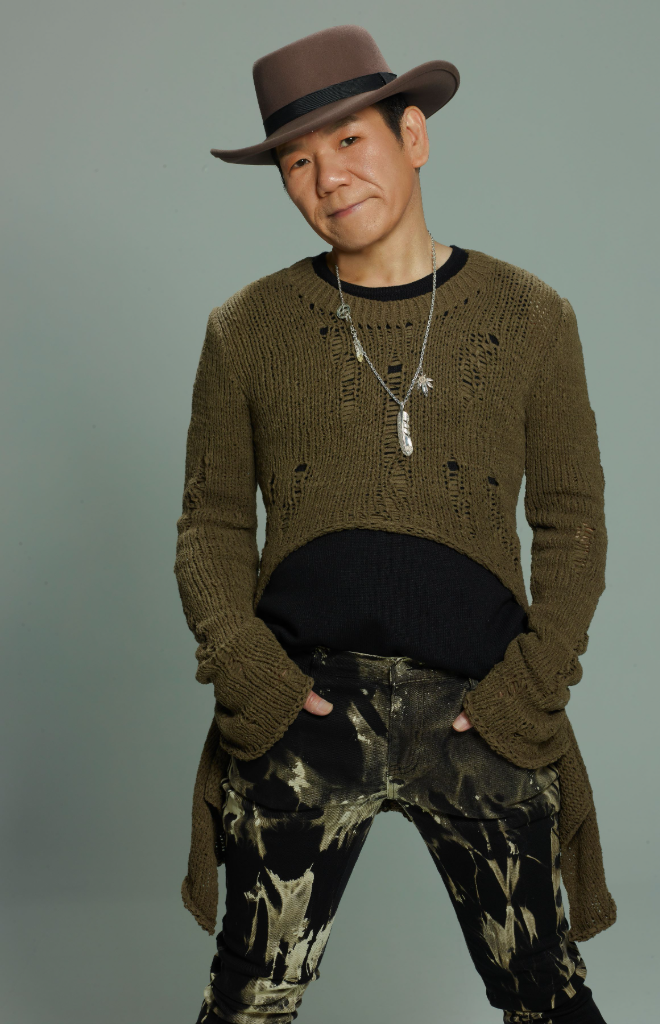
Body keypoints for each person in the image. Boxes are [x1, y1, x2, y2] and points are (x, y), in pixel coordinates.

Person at [174, 23, 617, 1024]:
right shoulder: (245, 329)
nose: (327, 177)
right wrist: (251, 676)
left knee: (544, 991)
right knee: (248, 996)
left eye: (348, 141)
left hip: (481, 704)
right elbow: (209, 523)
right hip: (302, 705)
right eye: (296, 161)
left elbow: (572, 520)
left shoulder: (531, 317)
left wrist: (530, 687)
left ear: (412, 136)